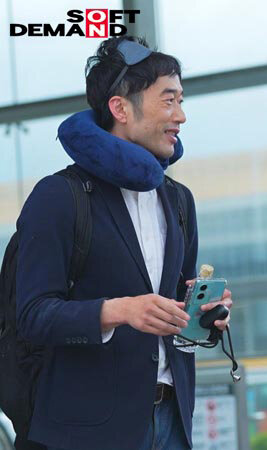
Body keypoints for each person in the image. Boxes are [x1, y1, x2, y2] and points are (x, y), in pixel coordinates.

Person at [15, 36, 233, 450]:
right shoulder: (59, 196)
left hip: (172, 421)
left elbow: (176, 310)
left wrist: (203, 314)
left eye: (181, 101)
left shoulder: (178, 200)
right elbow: (32, 316)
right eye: (168, 101)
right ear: (120, 108)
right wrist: (119, 311)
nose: (181, 116)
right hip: (88, 431)